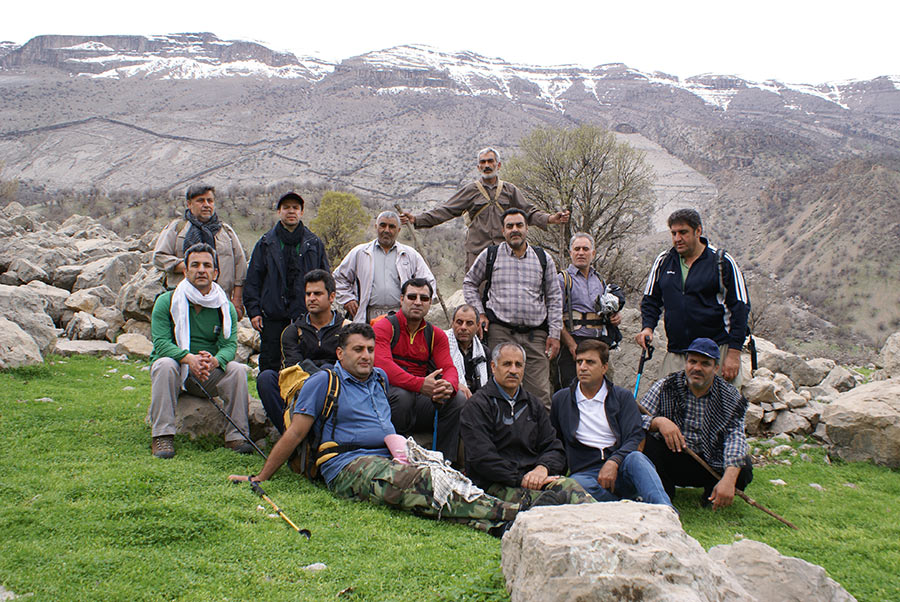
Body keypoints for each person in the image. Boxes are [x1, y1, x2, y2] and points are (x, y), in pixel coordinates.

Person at [229, 323, 556, 536]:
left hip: (388, 457)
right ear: (340, 353)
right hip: (348, 464)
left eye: (370, 349)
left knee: (442, 477)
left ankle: (489, 523)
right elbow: (295, 434)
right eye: (358, 350)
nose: (366, 356)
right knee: (422, 483)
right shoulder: (324, 382)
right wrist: (260, 477)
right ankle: (515, 516)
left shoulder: (379, 379)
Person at [148, 243, 252, 458]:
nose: (201, 270)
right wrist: (188, 359)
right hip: (176, 371)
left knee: (237, 370)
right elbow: (161, 343)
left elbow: (229, 345)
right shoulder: (166, 301)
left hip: (206, 372)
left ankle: (237, 436)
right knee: (164, 364)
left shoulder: (225, 307)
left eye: (207, 265)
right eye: (195, 265)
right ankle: (162, 437)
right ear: (185, 271)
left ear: (216, 272)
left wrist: (214, 361)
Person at [461, 342, 594, 506]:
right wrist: (520, 479)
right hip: (494, 485)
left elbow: (554, 447)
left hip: (534, 479)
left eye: (518, 365)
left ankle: (602, 525)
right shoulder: (477, 405)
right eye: (507, 364)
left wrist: (542, 468)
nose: (513, 370)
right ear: (493, 367)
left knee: (570, 487)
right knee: (544, 503)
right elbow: (481, 457)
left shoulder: (533, 404)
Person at [399, 147, 570, 270]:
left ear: (498, 165)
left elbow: (529, 213)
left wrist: (550, 219)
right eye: (483, 162)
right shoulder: (470, 190)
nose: (487, 165)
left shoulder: (509, 190)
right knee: (477, 294)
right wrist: (417, 220)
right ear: (478, 167)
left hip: (506, 252)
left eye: (490, 161)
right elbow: (445, 210)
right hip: (477, 252)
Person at [636, 208, 750, 388]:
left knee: (719, 412)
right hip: (677, 351)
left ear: (698, 231)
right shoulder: (664, 261)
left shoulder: (721, 261)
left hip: (716, 352)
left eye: (683, 232)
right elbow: (651, 299)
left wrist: (734, 354)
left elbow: (741, 308)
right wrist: (647, 327)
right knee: (668, 409)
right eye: (673, 233)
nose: (677, 238)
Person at [550, 340, 672, 506]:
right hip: (586, 474)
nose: (583, 367)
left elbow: (634, 436)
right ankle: (628, 505)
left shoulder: (622, 397)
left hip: (622, 467)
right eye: (579, 362)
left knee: (637, 459)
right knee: (575, 486)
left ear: (604, 367)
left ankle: (665, 510)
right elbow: (556, 442)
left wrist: (614, 461)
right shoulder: (561, 400)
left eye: (590, 362)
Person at [463, 208, 563, 409]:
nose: (514, 230)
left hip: (536, 338)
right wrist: (480, 313)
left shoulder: (543, 259)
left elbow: (554, 297)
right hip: (500, 333)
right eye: (510, 226)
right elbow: (469, 283)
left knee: (540, 398)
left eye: (519, 225)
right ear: (503, 230)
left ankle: (538, 439)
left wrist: (555, 334)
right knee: (498, 391)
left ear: (527, 228)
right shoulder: (491, 255)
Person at [639, 338, 753, 509]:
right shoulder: (665, 386)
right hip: (672, 459)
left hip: (709, 463)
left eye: (705, 364)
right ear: (686, 363)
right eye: (692, 361)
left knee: (742, 467)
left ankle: (714, 494)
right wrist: (658, 422)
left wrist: (729, 479)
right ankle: (662, 490)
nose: (697, 368)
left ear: (716, 368)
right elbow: (635, 420)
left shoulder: (730, 397)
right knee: (645, 442)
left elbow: (735, 438)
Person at [373, 278, 464, 464]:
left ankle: (445, 462)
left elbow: (448, 368)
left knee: (457, 399)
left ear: (430, 302)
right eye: (412, 296)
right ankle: (395, 455)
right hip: (388, 394)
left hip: (420, 398)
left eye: (424, 298)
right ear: (401, 299)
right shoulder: (384, 327)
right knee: (402, 396)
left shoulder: (436, 335)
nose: (417, 302)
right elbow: (384, 366)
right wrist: (420, 384)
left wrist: (448, 386)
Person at [243, 192, 329, 372]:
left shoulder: (314, 243)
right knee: (271, 364)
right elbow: (253, 280)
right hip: (273, 315)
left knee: (306, 363)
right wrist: (254, 311)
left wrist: (323, 309)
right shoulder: (266, 243)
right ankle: (271, 399)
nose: (291, 211)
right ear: (279, 212)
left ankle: (303, 399)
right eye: (286, 208)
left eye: (295, 208)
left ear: (302, 212)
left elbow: (325, 279)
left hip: (306, 316)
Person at [256, 270, 345, 433]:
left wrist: (325, 374)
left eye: (317, 293)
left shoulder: (346, 329)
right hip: (299, 387)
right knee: (266, 379)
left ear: (331, 297)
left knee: (333, 371)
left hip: (336, 391)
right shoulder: (293, 331)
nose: (311, 298)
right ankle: (290, 436)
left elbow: (347, 366)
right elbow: (293, 368)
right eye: (308, 294)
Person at [153, 183, 247, 317]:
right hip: (183, 302)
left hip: (219, 301)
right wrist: (192, 267)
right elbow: (159, 257)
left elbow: (240, 266)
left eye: (210, 201)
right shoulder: (177, 228)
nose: (206, 204)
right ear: (189, 204)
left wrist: (237, 300)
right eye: (200, 201)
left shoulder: (225, 231)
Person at [334, 211, 436, 323]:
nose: (387, 230)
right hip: (369, 316)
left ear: (399, 230)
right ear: (376, 227)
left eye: (392, 227)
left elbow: (428, 282)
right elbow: (338, 278)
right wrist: (347, 299)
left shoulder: (410, 254)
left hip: (400, 316)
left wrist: (418, 304)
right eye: (383, 225)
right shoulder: (360, 252)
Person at [557, 232, 625, 389]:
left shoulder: (600, 281)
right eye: (577, 249)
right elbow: (555, 316)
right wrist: (571, 345)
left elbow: (604, 310)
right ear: (570, 252)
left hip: (598, 343)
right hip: (573, 344)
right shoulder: (562, 280)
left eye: (585, 249)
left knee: (602, 390)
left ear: (593, 253)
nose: (581, 253)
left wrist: (614, 317)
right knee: (570, 390)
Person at [445, 304, 489, 399]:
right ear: (452, 323)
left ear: (478, 326)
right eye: (459, 322)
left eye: (469, 323)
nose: (463, 327)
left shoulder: (484, 352)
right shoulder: (441, 346)